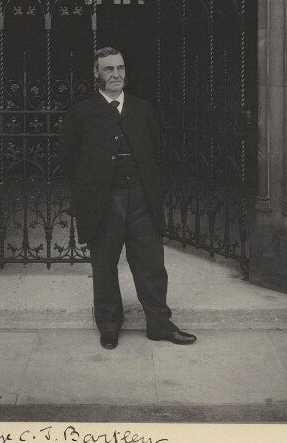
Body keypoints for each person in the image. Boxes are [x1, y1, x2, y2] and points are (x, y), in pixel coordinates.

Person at [59, 46, 197, 350]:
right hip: (103, 201)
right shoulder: (82, 112)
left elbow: (155, 151)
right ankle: (109, 327)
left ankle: (159, 324)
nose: (116, 74)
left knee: (151, 265)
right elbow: (68, 159)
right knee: (105, 265)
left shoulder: (142, 108)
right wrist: (92, 188)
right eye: (108, 69)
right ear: (96, 73)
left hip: (140, 200)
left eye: (120, 68)